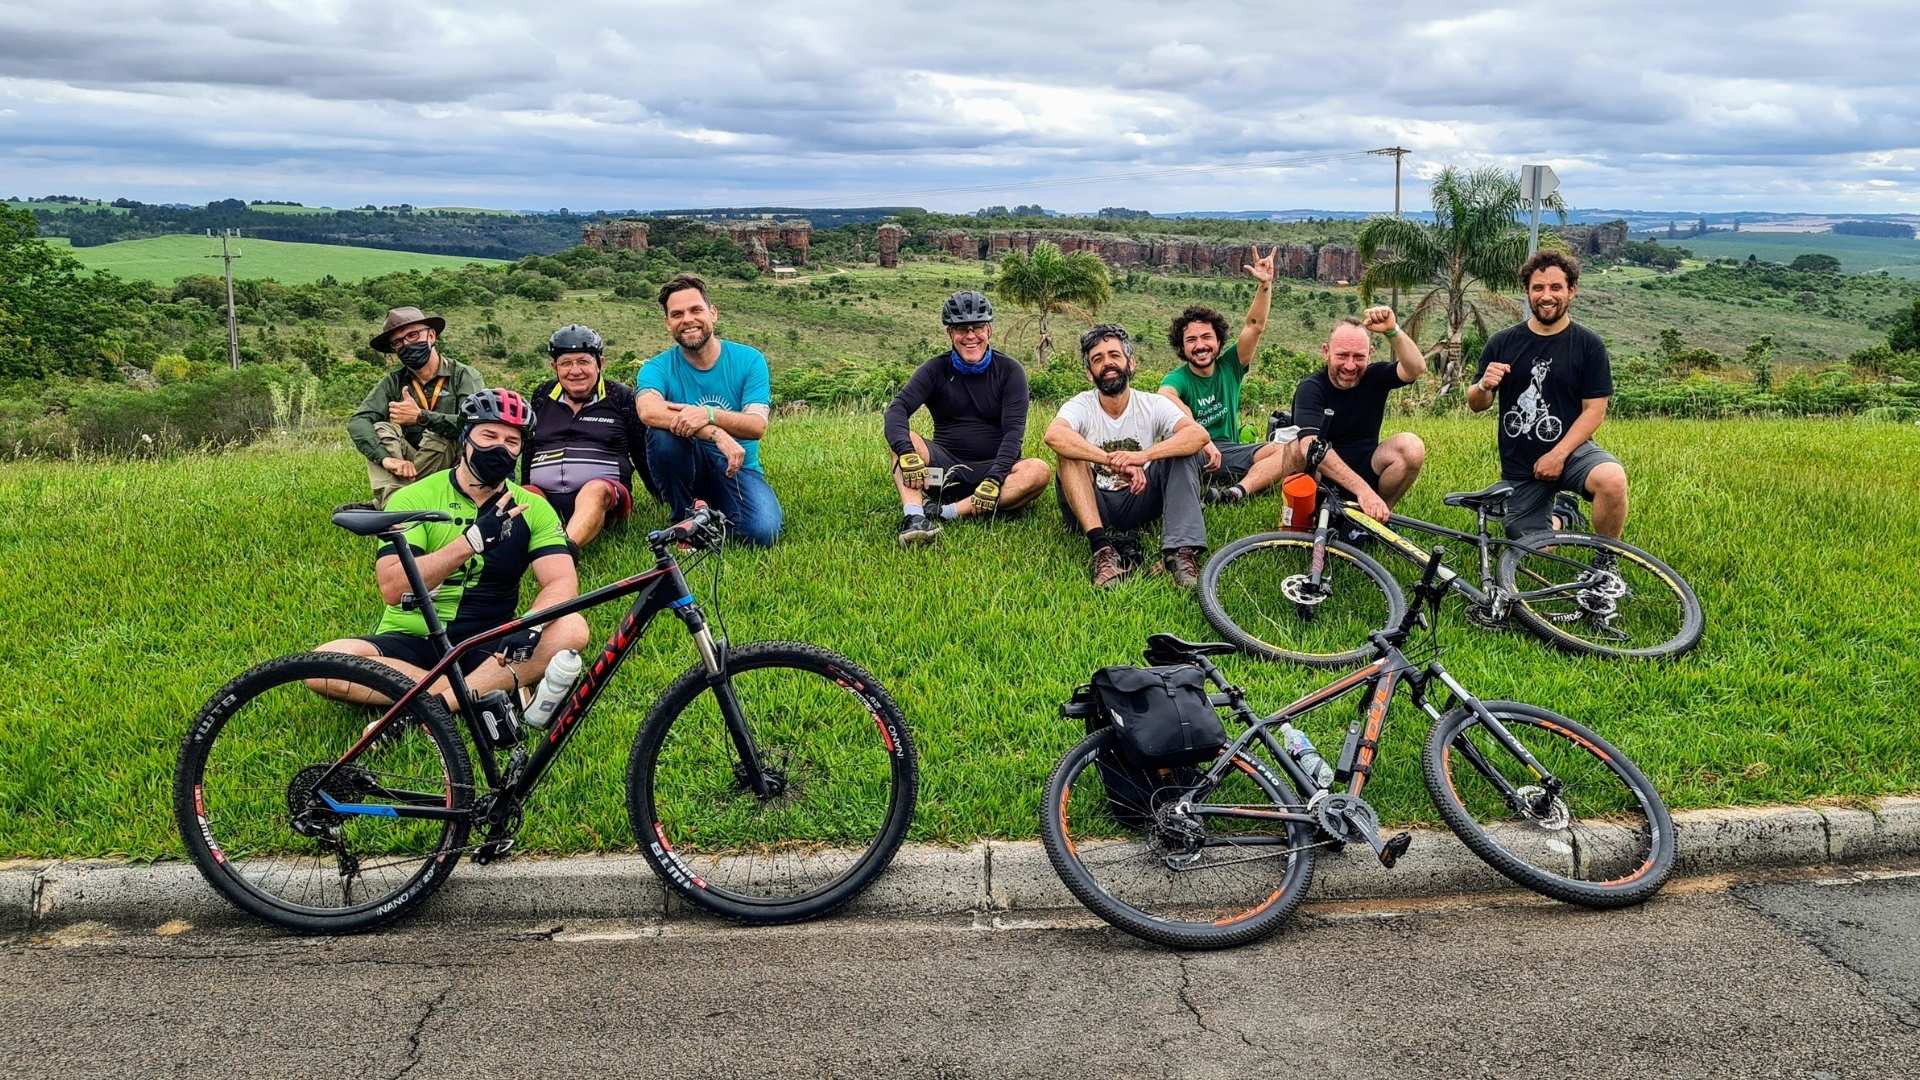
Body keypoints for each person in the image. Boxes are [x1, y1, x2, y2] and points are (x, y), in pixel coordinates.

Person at [314, 388, 590, 715]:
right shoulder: (413, 499)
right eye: (489, 435)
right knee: (322, 664)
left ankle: (435, 706)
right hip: (411, 638)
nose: (500, 447)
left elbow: (561, 583)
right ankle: (484, 690)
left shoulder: (533, 509)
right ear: (465, 439)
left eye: (511, 442)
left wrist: (530, 625)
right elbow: (393, 587)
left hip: (488, 641)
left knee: (571, 627)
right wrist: (469, 543)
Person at [1468, 250, 1628, 540]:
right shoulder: (1502, 342)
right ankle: (1563, 515)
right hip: (1521, 465)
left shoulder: (1588, 345)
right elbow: (1476, 405)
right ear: (1527, 292)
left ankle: (1607, 560)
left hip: (1572, 452)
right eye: (1538, 288)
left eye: (1556, 287)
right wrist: (1483, 386)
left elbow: (1594, 410)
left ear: (1572, 291)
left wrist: (1557, 455)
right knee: (1536, 549)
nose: (1546, 295)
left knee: (1612, 478)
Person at [1046, 324, 1211, 588]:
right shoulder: (1081, 405)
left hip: (1140, 498)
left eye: (1114, 355)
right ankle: (1102, 551)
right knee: (1068, 453)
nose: (1107, 363)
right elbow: (1054, 435)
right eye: (1098, 359)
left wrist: (1142, 456)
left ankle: (1180, 554)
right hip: (1092, 503)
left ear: (1131, 364)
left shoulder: (1151, 404)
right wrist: (1112, 460)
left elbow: (1198, 435)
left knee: (1182, 449)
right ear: (1090, 374)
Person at [884, 290, 1053, 545]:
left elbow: (1013, 434)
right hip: (944, 471)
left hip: (994, 469)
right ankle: (915, 517)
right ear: (950, 334)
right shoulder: (935, 369)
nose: (970, 336)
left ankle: (944, 513)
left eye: (977, 328)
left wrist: (995, 478)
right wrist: (906, 451)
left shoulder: (1010, 371)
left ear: (989, 331)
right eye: (962, 329)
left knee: (1038, 471)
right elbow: (897, 409)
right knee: (904, 440)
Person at [635, 274, 783, 547]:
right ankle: (684, 517)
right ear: (668, 323)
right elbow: (648, 411)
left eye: (696, 310)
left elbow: (756, 426)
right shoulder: (656, 368)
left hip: (737, 469)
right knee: (662, 434)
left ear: (712, 313)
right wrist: (714, 431)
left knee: (763, 532)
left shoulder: (749, 360)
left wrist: (709, 414)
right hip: (687, 464)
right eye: (677, 314)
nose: (687, 320)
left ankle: (709, 509)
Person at [1156, 245, 1301, 503]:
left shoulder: (1230, 366)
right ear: (1182, 347)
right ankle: (1246, 482)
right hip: (1194, 453)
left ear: (1219, 342)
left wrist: (1265, 285)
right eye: (1191, 340)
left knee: (1290, 452)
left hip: (1232, 451)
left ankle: (1236, 491)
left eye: (1206, 337)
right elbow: (1165, 396)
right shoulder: (1178, 379)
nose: (1200, 345)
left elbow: (1254, 326)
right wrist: (1200, 438)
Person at [1291, 307, 1429, 529]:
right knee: (1297, 449)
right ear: (1326, 351)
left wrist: (1392, 330)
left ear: (1370, 354)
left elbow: (1415, 369)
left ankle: (1377, 517)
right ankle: (1305, 516)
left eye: (1358, 357)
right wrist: (1362, 490)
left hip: (1367, 467)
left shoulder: (1374, 376)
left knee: (1411, 446)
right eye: (1342, 355)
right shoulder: (1311, 388)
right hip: (1319, 477)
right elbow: (1310, 447)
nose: (1350, 365)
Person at [522, 323, 655, 549]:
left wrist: (660, 496)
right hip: (547, 498)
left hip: (606, 498)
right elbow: (530, 450)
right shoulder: (542, 395)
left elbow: (642, 451)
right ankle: (541, 542)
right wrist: (525, 486)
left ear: (600, 363)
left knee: (595, 489)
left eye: (583, 361)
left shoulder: (620, 397)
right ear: (554, 366)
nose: (575, 371)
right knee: (525, 494)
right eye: (566, 363)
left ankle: (562, 551)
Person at [344, 306, 484, 509]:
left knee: (440, 433)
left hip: (455, 463)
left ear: (431, 335)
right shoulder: (394, 382)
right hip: (411, 463)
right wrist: (386, 460)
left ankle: (394, 504)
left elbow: (473, 424)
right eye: (398, 342)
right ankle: (396, 501)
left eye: (412, 335)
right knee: (381, 429)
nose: (406, 344)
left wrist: (422, 417)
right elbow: (358, 422)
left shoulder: (464, 375)